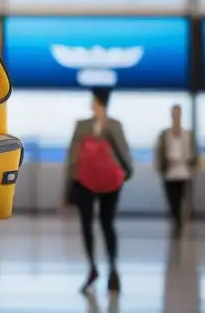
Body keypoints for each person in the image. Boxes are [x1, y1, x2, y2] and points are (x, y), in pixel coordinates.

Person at [65, 88, 133, 296]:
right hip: (84, 181)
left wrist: (125, 173)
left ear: (102, 104)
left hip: (110, 181)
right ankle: (92, 267)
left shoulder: (114, 126)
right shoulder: (82, 125)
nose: (92, 105)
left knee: (106, 222)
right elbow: (72, 154)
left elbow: (123, 151)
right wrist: (70, 185)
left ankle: (113, 266)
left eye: (95, 102)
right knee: (86, 223)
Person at [154, 104, 197, 239]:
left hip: (184, 173)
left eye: (178, 114)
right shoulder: (164, 134)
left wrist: (191, 163)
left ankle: (179, 225)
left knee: (182, 200)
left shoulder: (188, 135)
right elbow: (159, 151)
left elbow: (194, 152)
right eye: (174, 113)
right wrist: (161, 165)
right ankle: (177, 223)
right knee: (172, 201)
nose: (176, 116)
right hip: (169, 173)